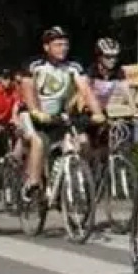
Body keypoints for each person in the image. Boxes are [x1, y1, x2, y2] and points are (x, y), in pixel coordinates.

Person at [18, 27, 101, 200]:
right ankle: (32, 184)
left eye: (65, 45)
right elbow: (28, 89)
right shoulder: (34, 65)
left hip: (58, 116)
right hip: (31, 114)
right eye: (58, 45)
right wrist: (35, 111)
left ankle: (80, 179)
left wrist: (98, 112)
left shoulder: (74, 66)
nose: (63, 48)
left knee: (83, 142)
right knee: (39, 142)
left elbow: (86, 90)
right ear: (46, 47)